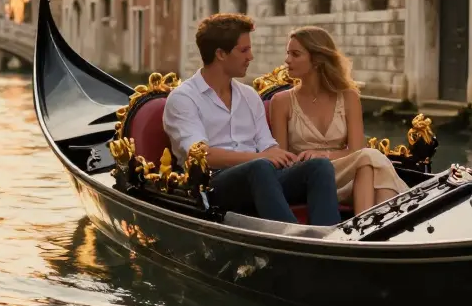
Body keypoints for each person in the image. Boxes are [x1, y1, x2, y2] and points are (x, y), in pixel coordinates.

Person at [162, 14, 343, 227]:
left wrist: (284, 156)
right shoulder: (183, 98)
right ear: (220, 54)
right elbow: (202, 155)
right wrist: (257, 159)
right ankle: (294, 241)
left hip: (259, 176)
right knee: (259, 167)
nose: (251, 57)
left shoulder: (249, 96)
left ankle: (329, 236)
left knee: (319, 166)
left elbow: (267, 145)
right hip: (210, 185)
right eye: (244, 50)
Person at [268, 26, 409, 214]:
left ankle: (366, 228)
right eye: (288, 54)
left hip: (350, 177)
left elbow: (356, 149)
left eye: (295, 54)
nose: (287, 60)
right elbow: (282, 159)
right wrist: (313, 161)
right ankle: (386, 224)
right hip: (309, 176)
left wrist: (323, 155)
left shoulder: (349, 97)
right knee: (369, 158)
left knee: (367, 164)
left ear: (317, 60)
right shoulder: (281, 101)